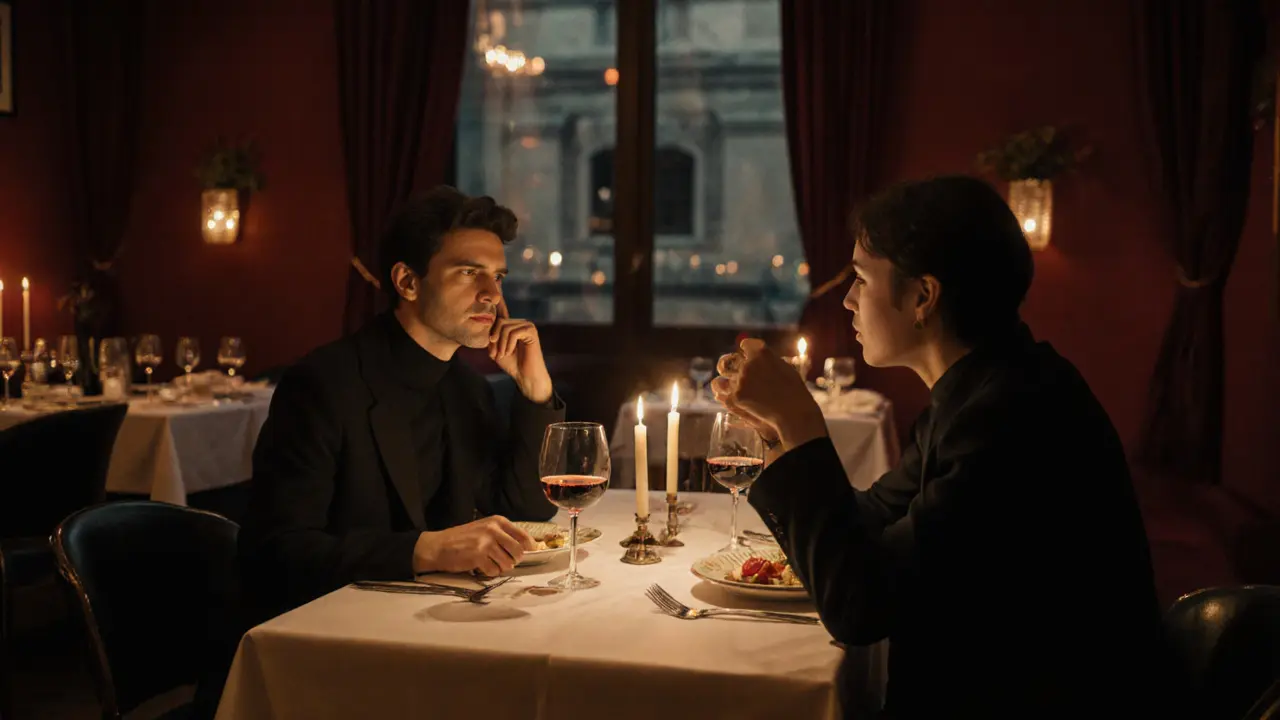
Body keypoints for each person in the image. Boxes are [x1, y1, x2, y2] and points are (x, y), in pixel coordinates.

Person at [713, 176, 1172, 718]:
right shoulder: (982, 392)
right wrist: (779, 431)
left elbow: (860, 606)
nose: (848, 299)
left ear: (923, 296)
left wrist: (805, 422)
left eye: (861, 278)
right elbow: (870, 521)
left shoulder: (1013, 417)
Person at [241, 186, 564, 620]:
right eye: (470, 273)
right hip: (333, 636)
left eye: (498, 276)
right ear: (408, 282)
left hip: (437, 623)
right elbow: (275, 552)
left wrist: (535, 390)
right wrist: (424, 550)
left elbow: (528, 512)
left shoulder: (467, 388)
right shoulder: (324, 384)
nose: (492, 293)